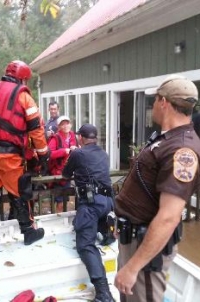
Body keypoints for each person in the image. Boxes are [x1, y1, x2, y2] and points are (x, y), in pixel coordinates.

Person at [114, 74, 200, 302]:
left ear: (164, 102)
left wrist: (132, 268)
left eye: (155, 100)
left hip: (145, 251)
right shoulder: (166, 139)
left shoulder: (182, 151)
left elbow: (168, 218)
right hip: (132, 240)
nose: (152, 105)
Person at [0, 60, 49, 256]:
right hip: (8, 156)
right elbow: (36, 130)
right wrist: (43, 154)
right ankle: (29, 232)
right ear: (22, 79)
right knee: (19, 194)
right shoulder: (22, 96)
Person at [62, 123, 115, 302]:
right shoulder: (104, 154)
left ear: (81, 138)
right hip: (108, 203)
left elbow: (64, 174)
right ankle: (107, 233)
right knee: (98, 216)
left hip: (91, 205)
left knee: (85, 245)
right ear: (96, 138)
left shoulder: (78, 153)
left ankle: (103, 293)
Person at [48, 115, 78, 212]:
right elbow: (49, 154)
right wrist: (63, 151)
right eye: (62, 124)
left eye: (67, 123)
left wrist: (76, 149)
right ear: (59, 127)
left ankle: (63, 219)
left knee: (65, 199)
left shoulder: (73, 136)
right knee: (59, 201)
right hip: (57, 173)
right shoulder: (55, 138)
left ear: (71, 125)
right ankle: (57, 220)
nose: (65, 126)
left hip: (69, 171)